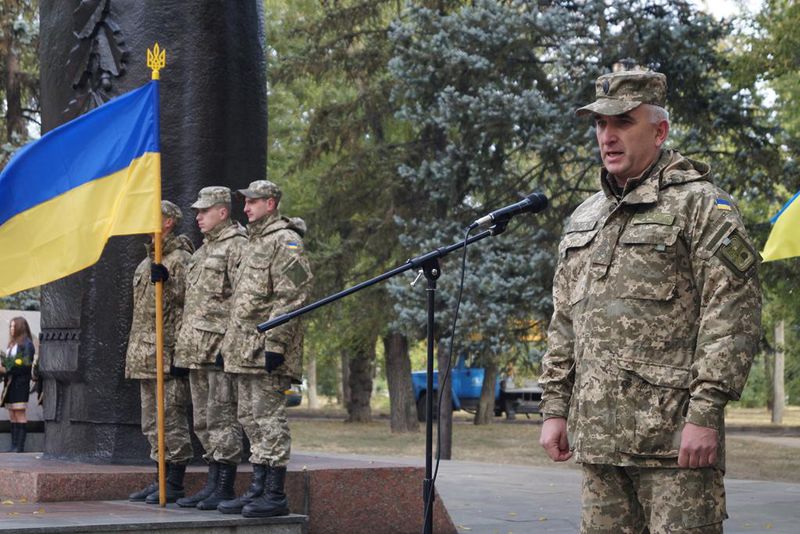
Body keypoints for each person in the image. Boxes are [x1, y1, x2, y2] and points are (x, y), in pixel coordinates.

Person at [538, 65, 762, 533]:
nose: (608, 136)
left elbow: (732, 314)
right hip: (599, 441)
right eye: (600, 124)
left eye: (623, 122)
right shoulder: (586, 216)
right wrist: (555, 408)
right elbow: (565, 320)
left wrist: (704, 413)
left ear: (659, 131)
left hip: (673, 445)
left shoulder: (701, 206)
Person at [219, 180, 312, 517]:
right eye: (245, 203)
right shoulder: (251, 244)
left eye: (253, 202)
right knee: (249, 418)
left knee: (269, 419)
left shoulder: (285, 241)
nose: (246, 208)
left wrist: (275, 342)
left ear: (270, 203)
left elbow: (293, 295)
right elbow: (240, 303)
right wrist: (227, 345)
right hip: (243, 350)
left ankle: (274, 494)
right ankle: (257, 489)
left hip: (266, 350)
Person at [173, 187, 247, 510]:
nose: (198, 217)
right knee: (202, 420)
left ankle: (225, 486)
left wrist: (229, 345)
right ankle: (212, 482)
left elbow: (242, 302)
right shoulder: (201, 253)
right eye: (197, 212)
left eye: (204, 211)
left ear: (222, 211)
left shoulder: (237, 247)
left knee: (222, 418)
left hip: (218, 348)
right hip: (195, 350)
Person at [125, 200, 195, 504]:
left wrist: (168, 282)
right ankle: (159, 479)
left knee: (171, 420)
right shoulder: (145, 262)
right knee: (152, 422)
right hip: (144, 355)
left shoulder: (180, 259)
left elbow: (189, 305)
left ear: (168, 222)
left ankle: (175, 483)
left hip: (167, 354)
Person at [1, 317, 35, 452]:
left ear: (21, 327)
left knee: (19, 413)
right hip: (10, 384)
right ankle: (14, 446)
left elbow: (25, 365)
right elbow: (10, 363)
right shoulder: (12, 344)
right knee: (12, 414)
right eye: (10, 326)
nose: (11, 329)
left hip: (20, 384)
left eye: (14, 326)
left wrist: (6, 367)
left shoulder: (27, 344)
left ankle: (19, 447)